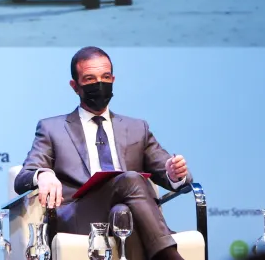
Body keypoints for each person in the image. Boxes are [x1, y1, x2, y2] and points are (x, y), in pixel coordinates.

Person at [14, 47, 191, 260]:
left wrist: (174, 173)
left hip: (124, 215)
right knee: (130, 179)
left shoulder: (137, 128)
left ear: (113, 79)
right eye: (90, 79)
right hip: (78, 215)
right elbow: (23, 177)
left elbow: (178, 175)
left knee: (122, 212)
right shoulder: (52, 128)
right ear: (75, 86)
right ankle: (169, 255)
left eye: (105, 77)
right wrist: (42, 174)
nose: (100, 84)